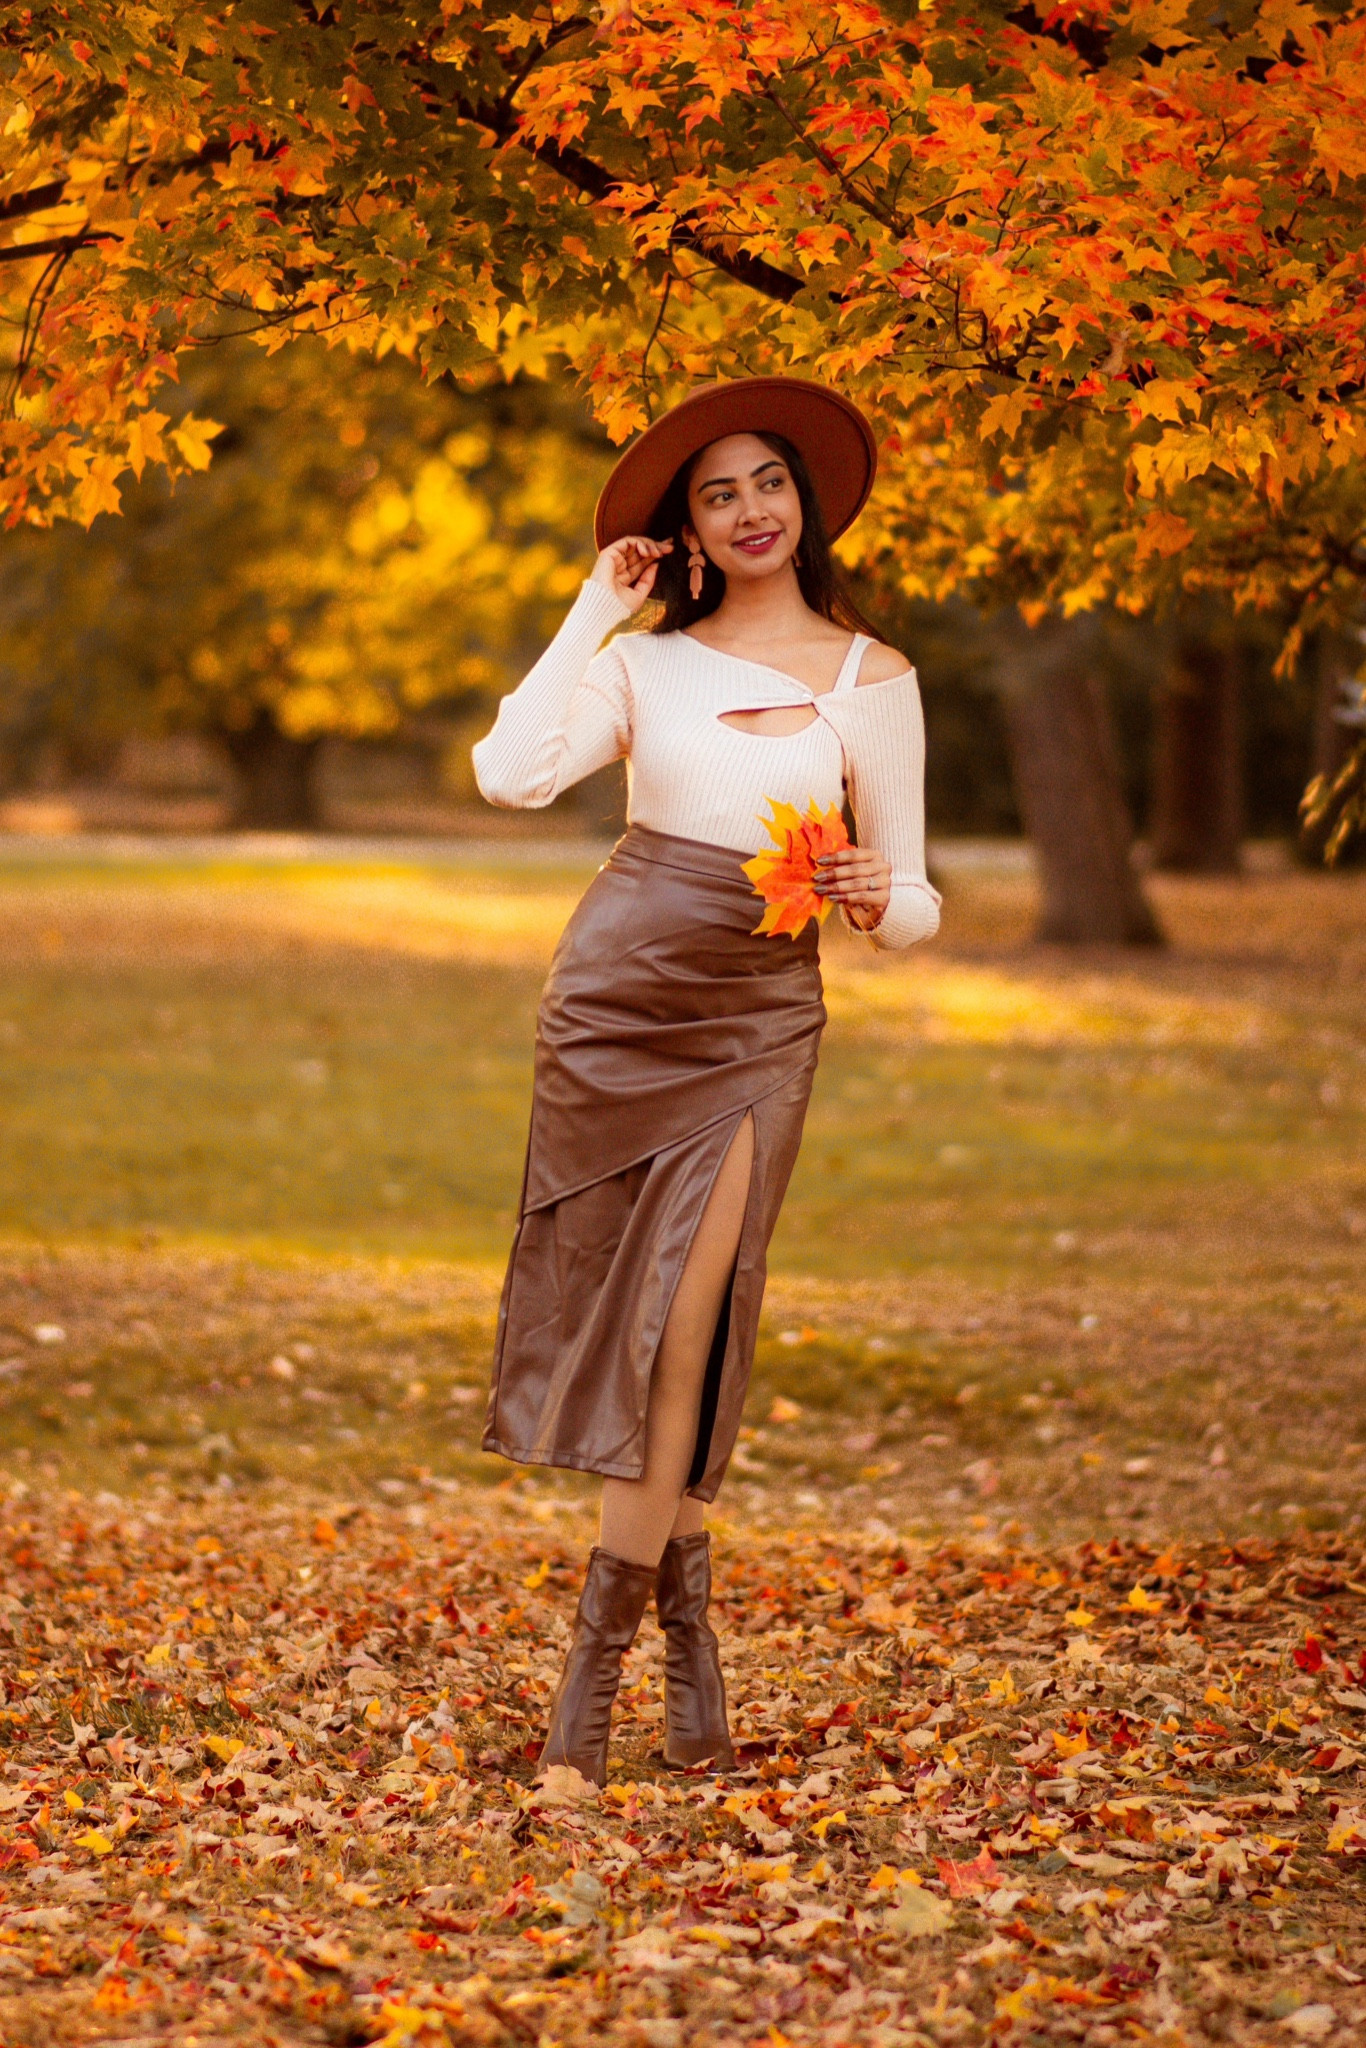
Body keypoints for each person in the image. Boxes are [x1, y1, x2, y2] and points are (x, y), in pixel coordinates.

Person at [472, 376, 940, 1786]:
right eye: (716, 493)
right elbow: (509, 775)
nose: (748, 511)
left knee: (685, 1320)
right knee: (647, 1324)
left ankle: (590, 1687)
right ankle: (687, 1674)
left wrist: (878, 892)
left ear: (805, 502)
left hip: (757, 1020)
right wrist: (592, 611)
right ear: (686, 527)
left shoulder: (872, 679)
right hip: (615, 1007)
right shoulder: (646, 665)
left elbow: (914, 901)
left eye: (766, 483)